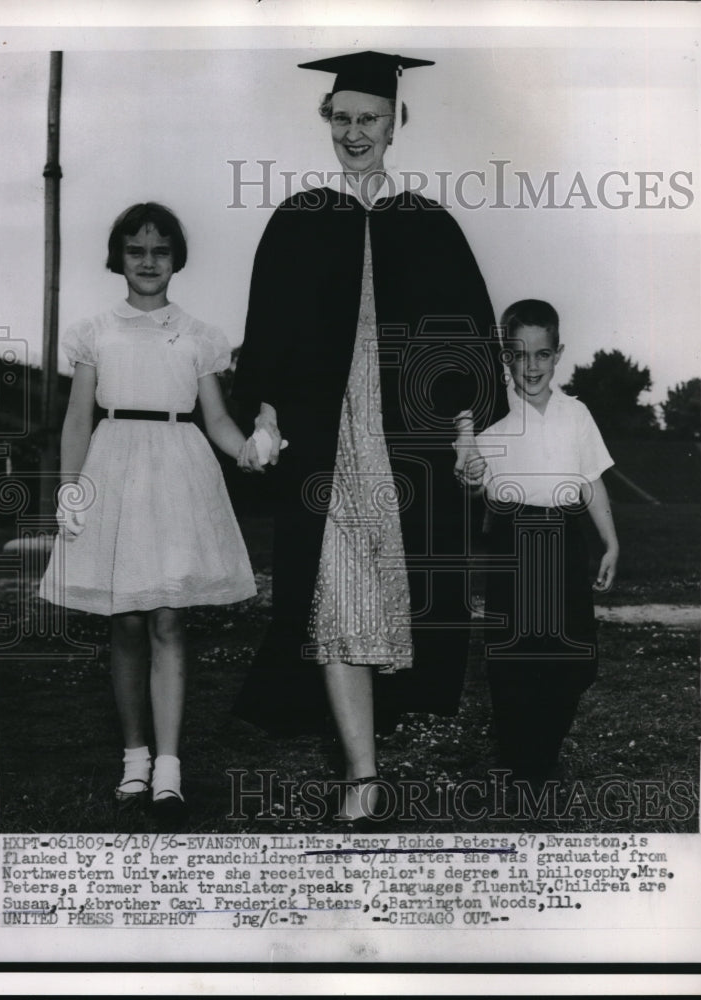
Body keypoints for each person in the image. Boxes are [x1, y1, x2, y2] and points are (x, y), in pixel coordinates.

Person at [231, 51, 507, 820]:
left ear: (396, 124)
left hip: (405, 446)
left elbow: (466, 342)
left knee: (401, 597)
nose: (356, 133)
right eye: (342, 118)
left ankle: (377, 740)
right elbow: (267, 337)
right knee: (333, 599)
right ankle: (362, 773)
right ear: (328, 122)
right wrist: (264, 415)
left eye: (370, 119)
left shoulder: (429, 227)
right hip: (327, 443)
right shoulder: (298, 221)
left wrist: (464, 432)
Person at [40, 202, 259, 821]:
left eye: (160, 251)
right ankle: (134, 759)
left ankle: (168, 766)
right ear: (119, 258)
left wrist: (250, 451)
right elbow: (78, 417)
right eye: (136, 250)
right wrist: (71, 489)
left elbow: (215, 419)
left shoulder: (197, 335)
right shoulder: (94, 331)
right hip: (112, 470)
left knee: (167, 617)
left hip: (176, 471)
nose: (148, 262)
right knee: (126, 621)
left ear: (176, 260)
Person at [463, 298, 619, 782]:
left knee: (570, 658)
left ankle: (543, 754)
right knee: (514, 657)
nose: (531, 366)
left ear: (558, 354)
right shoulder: (489, 418)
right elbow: (471, 486)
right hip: (511, 541)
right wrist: (469, 471)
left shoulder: (576, 414)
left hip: (565, 540)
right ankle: (517, 759)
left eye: (542, 354)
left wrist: (610, 543)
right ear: (504, 357)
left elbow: (592, 481)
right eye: (519, 354)